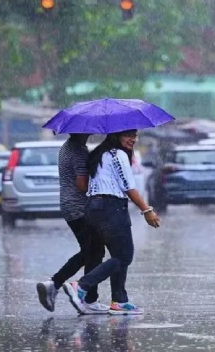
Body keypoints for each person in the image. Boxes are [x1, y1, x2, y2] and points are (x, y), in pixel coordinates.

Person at [62, 129, 160, 315]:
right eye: (128, 135)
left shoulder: (100, 154)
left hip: (93, 208)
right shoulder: (118, 155)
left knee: (113, 255)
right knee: (124, 256)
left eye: (135, 135)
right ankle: (81, 286)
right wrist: (147, 210)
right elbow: (129, 187)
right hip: (111, 207)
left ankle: (119, 301)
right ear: (116, 136)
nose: (133, 139)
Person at [37, 133, 108, 314]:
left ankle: (55, 284)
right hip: (80, 208)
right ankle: (88, 298)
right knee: (95, 251)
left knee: (90, 251)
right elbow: (82, 185)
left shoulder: (68, 147)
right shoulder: (77, 151)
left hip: (70, 207)